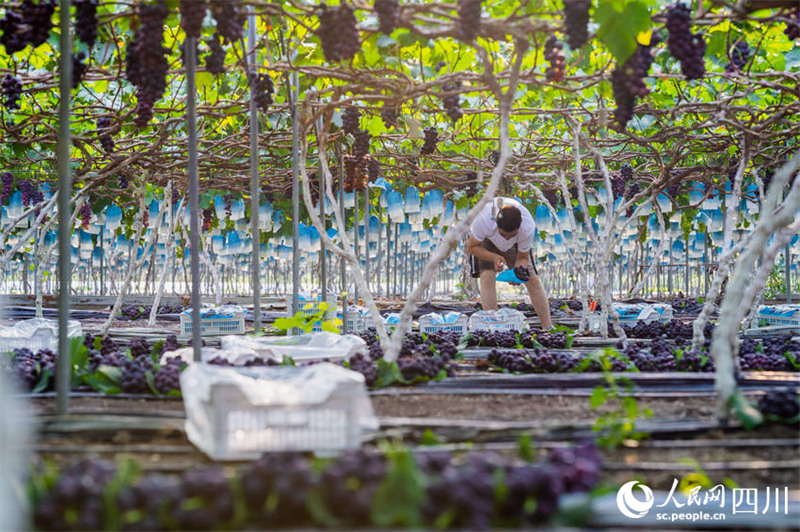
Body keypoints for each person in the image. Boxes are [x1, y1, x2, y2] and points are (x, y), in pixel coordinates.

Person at [466, 197, 552, 328]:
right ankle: (493, 327)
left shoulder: (528, 227)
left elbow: (523, 257)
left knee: (532, 280)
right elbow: (472, 247)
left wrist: (518, 272)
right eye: (503, 235)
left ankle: (548, 327)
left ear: (520, 226)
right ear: (496, 223)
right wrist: (493, 257)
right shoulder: (483, 220)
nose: (507, 238)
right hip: (485, 241)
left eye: (511, 235)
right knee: (487, 277)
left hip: (516, 244)